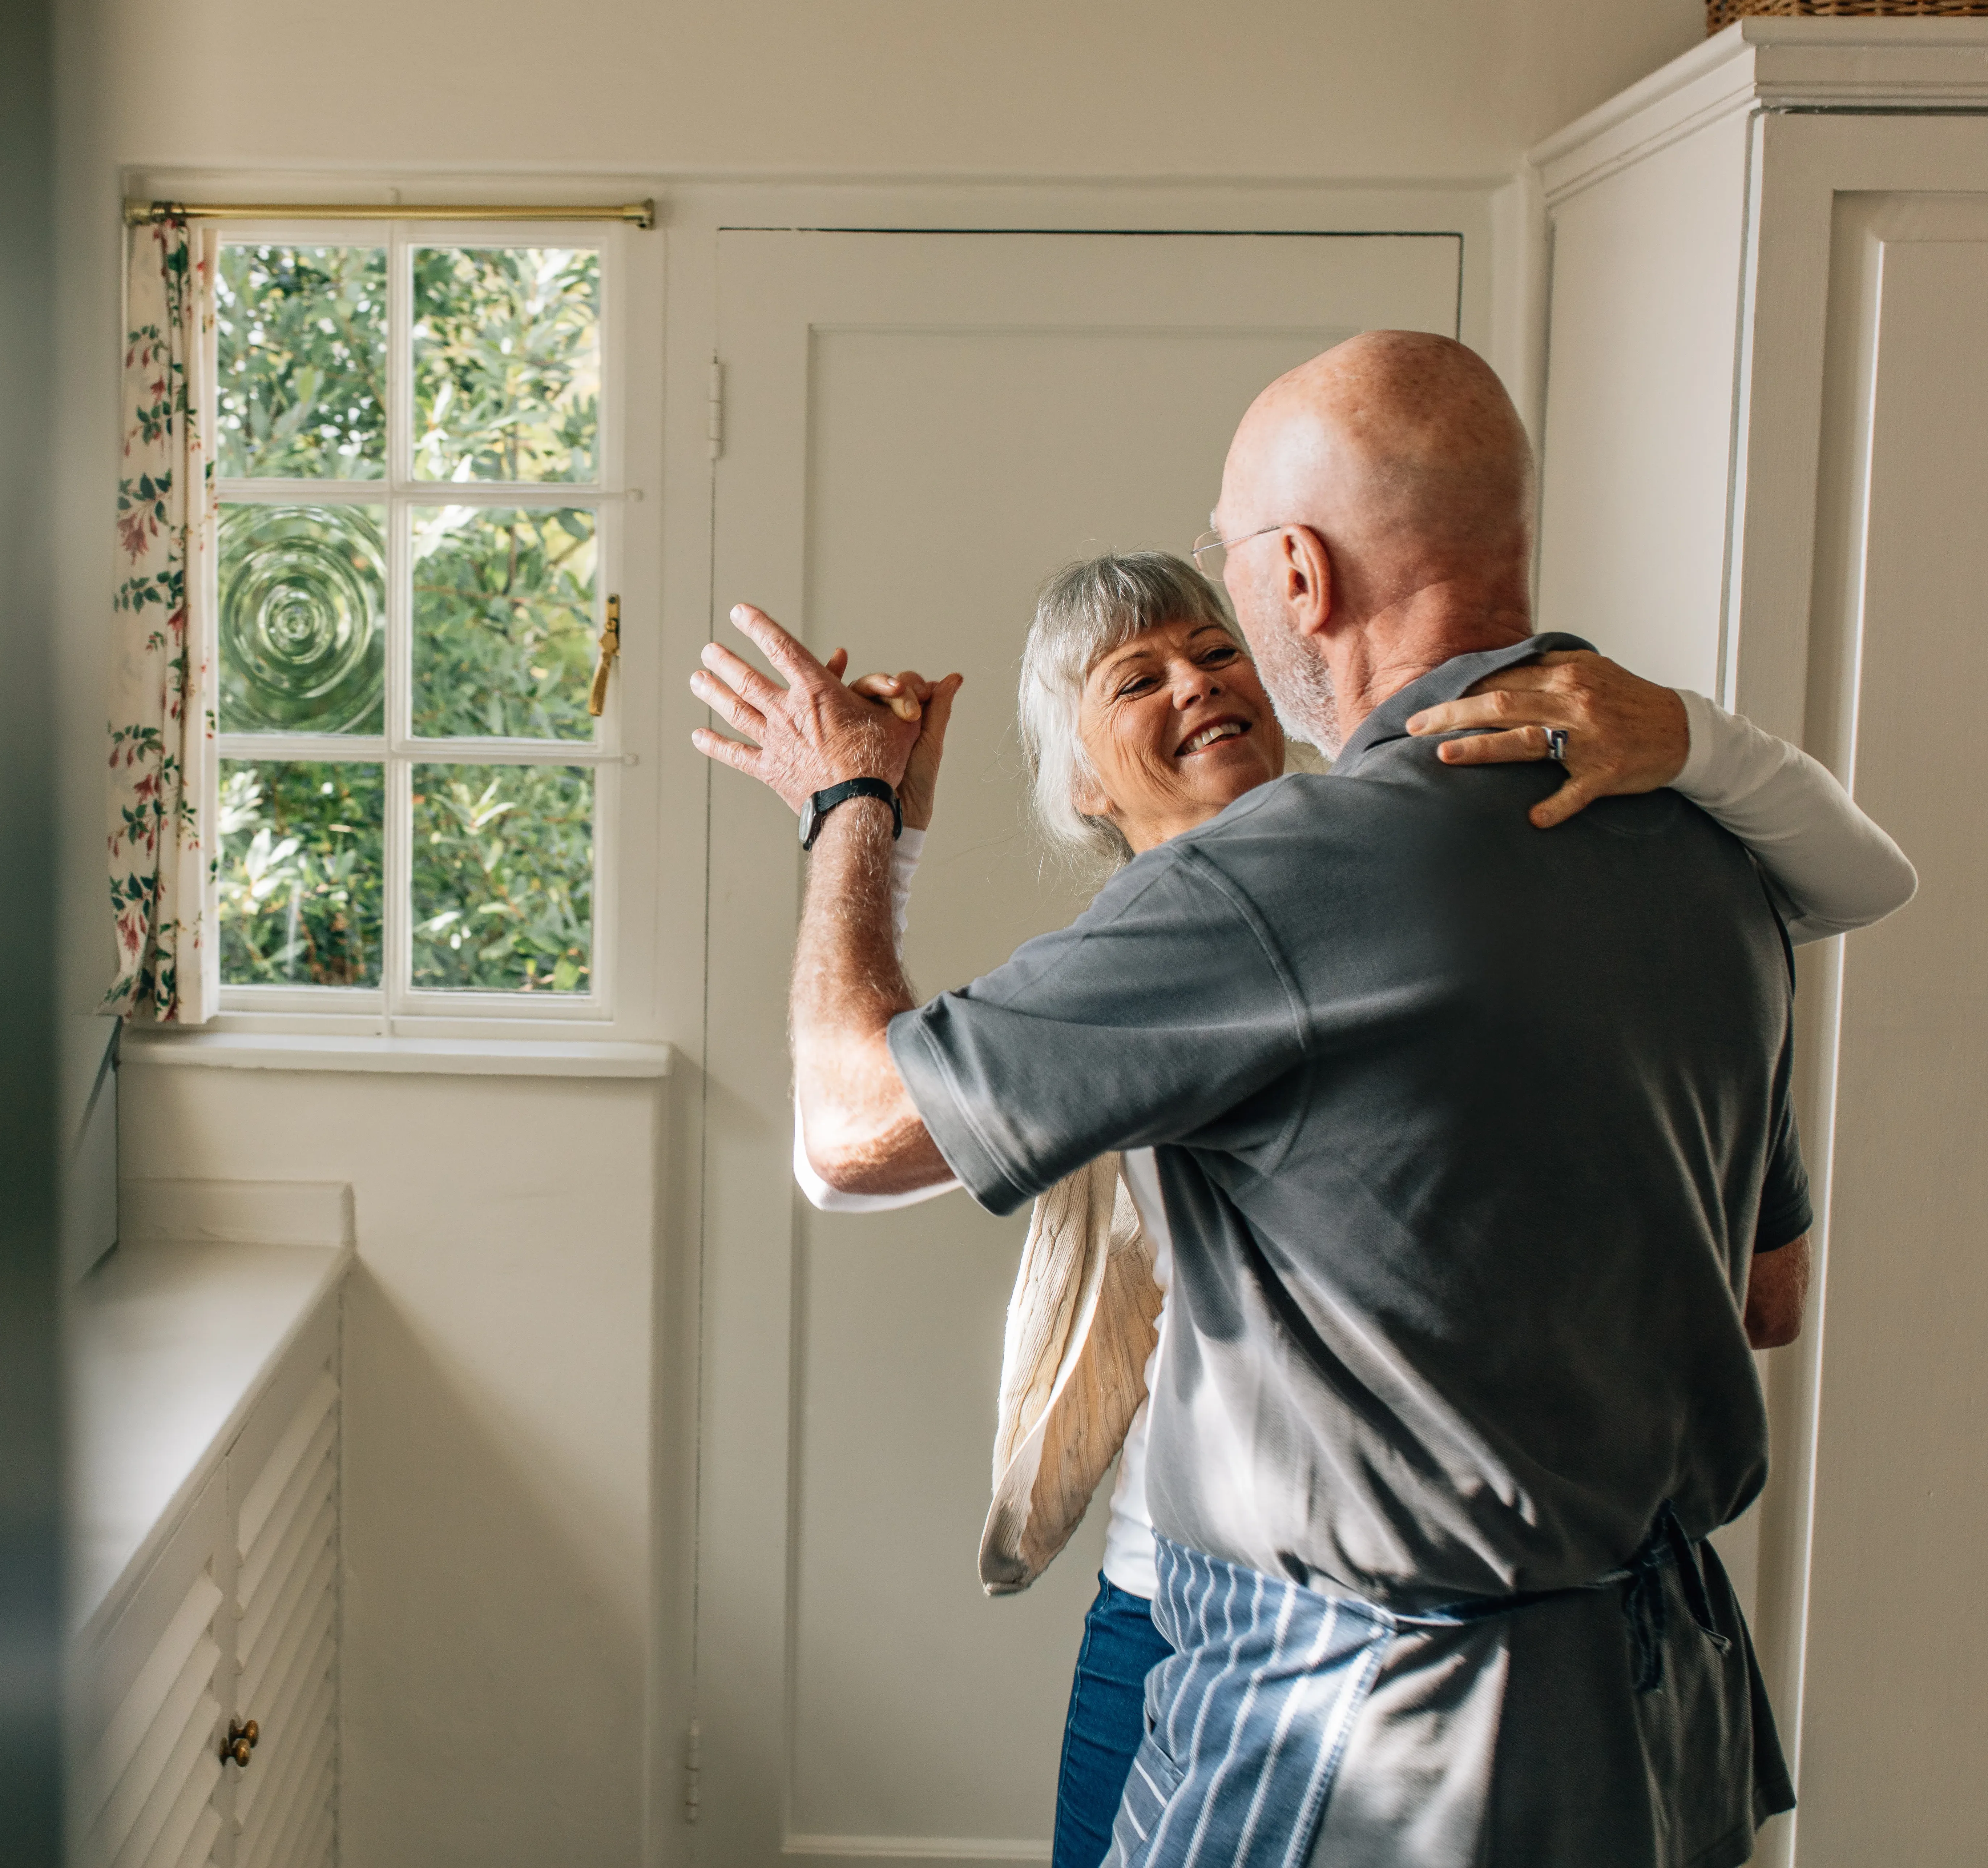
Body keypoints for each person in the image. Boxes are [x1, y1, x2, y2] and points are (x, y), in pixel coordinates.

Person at [687, 331, 1919, 1868]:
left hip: (1371, 1740)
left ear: (1297, 577)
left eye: (1224, 575)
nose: (1206, 666)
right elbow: (1768, 1286)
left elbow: (849, 1134)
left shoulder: (1288, 882)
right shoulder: (1710, 855)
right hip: (1658, 1729)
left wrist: (849, 806)